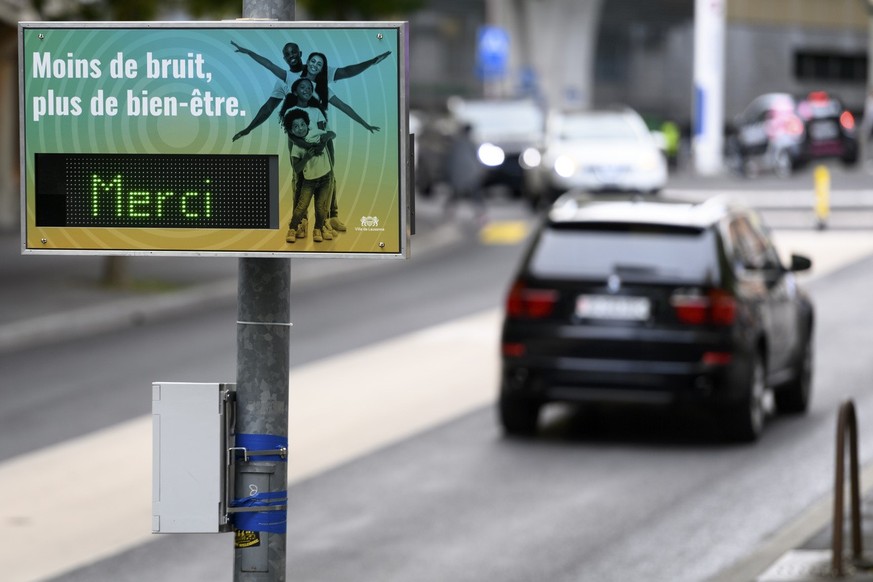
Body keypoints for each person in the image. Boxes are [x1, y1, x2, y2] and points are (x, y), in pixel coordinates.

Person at [280, 106, 336, 244]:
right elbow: (296, 168)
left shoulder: (316, 132)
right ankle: (293, 228)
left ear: (307, 124)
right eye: (296, 126)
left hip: (326, 178)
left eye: (302, 124)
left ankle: (318, 229)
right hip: (309, 181)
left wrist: (323, 141)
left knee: (321, 207)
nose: (300, 128)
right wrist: (306, 158)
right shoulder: (296, 147)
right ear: (291, 130)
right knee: (301, 207)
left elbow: (332, 134)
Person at [445, 123, 485, 221]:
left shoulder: (457, 143)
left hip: (461, 173)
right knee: (472, 193)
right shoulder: (469, 143)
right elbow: (476, 159)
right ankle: (480, 213)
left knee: (457, 193)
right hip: (469, 173)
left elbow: (450, 159)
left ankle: (450, 211)